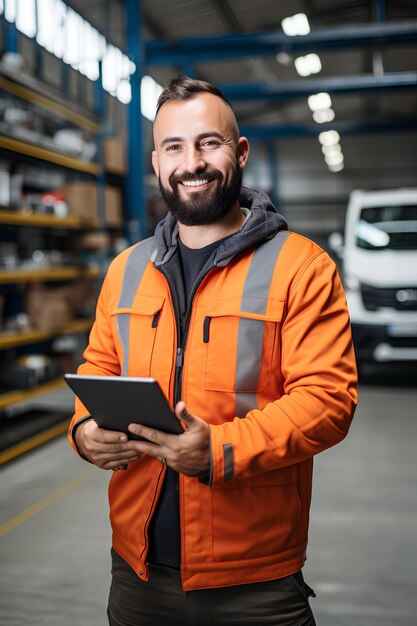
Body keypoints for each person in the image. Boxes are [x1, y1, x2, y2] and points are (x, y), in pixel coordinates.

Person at [68, 76, 358, 626]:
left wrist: (219, 451)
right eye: (174, 147)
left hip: (255, 580)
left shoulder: (302, 266)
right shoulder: (126, 269)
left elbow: (328, 401)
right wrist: (84, 431)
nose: (191, 162)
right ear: (156, 162)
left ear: (239, 151)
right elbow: (99, 367)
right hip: (137, 573)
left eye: (209, 143)